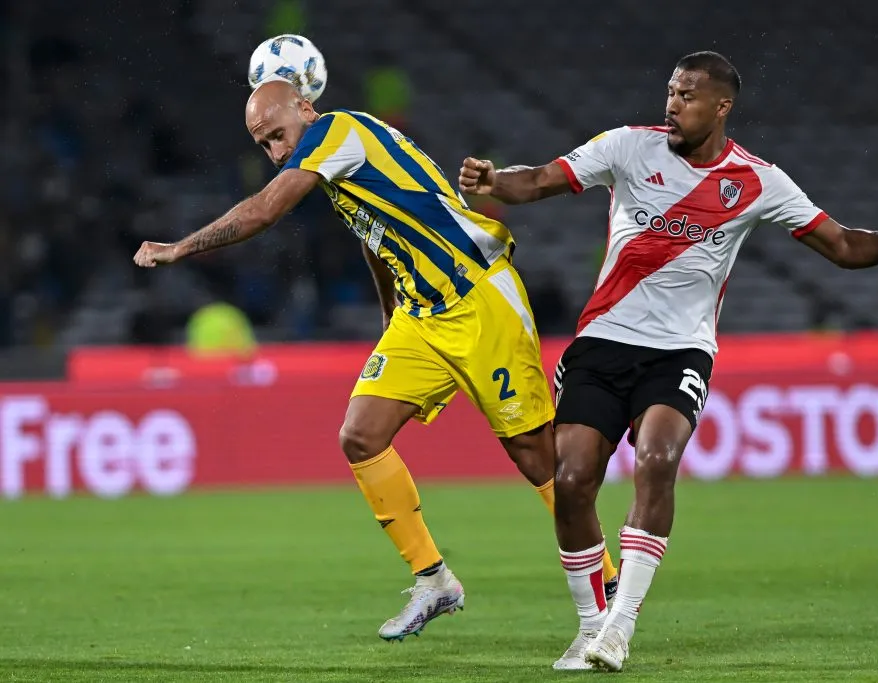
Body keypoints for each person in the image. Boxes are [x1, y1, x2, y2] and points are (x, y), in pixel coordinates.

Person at [459, 51, 878, 672]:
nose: (673, 103)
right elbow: (537, 180)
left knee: (658, 458)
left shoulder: (757, 181)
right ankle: (588, 623)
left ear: (721, 106)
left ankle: (619, 628)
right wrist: (492, 180)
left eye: (688, 95)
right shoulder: (626, 147)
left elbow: (842, 246)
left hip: (680, 350)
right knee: (572, 479)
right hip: (603, 341)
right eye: (670, 91)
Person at [132, 79, 618, 641]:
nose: (275, 152)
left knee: (536, 456)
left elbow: (264, 211)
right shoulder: (339, 162)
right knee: (360, 435)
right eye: (263, 145)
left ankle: (607, 585)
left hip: (479, 296)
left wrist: (179, 248)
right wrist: (390, 313)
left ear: (305, 109)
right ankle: (434, 580)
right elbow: (377, 237)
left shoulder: (339, 130)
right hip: (421, 314)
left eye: (277, 135)